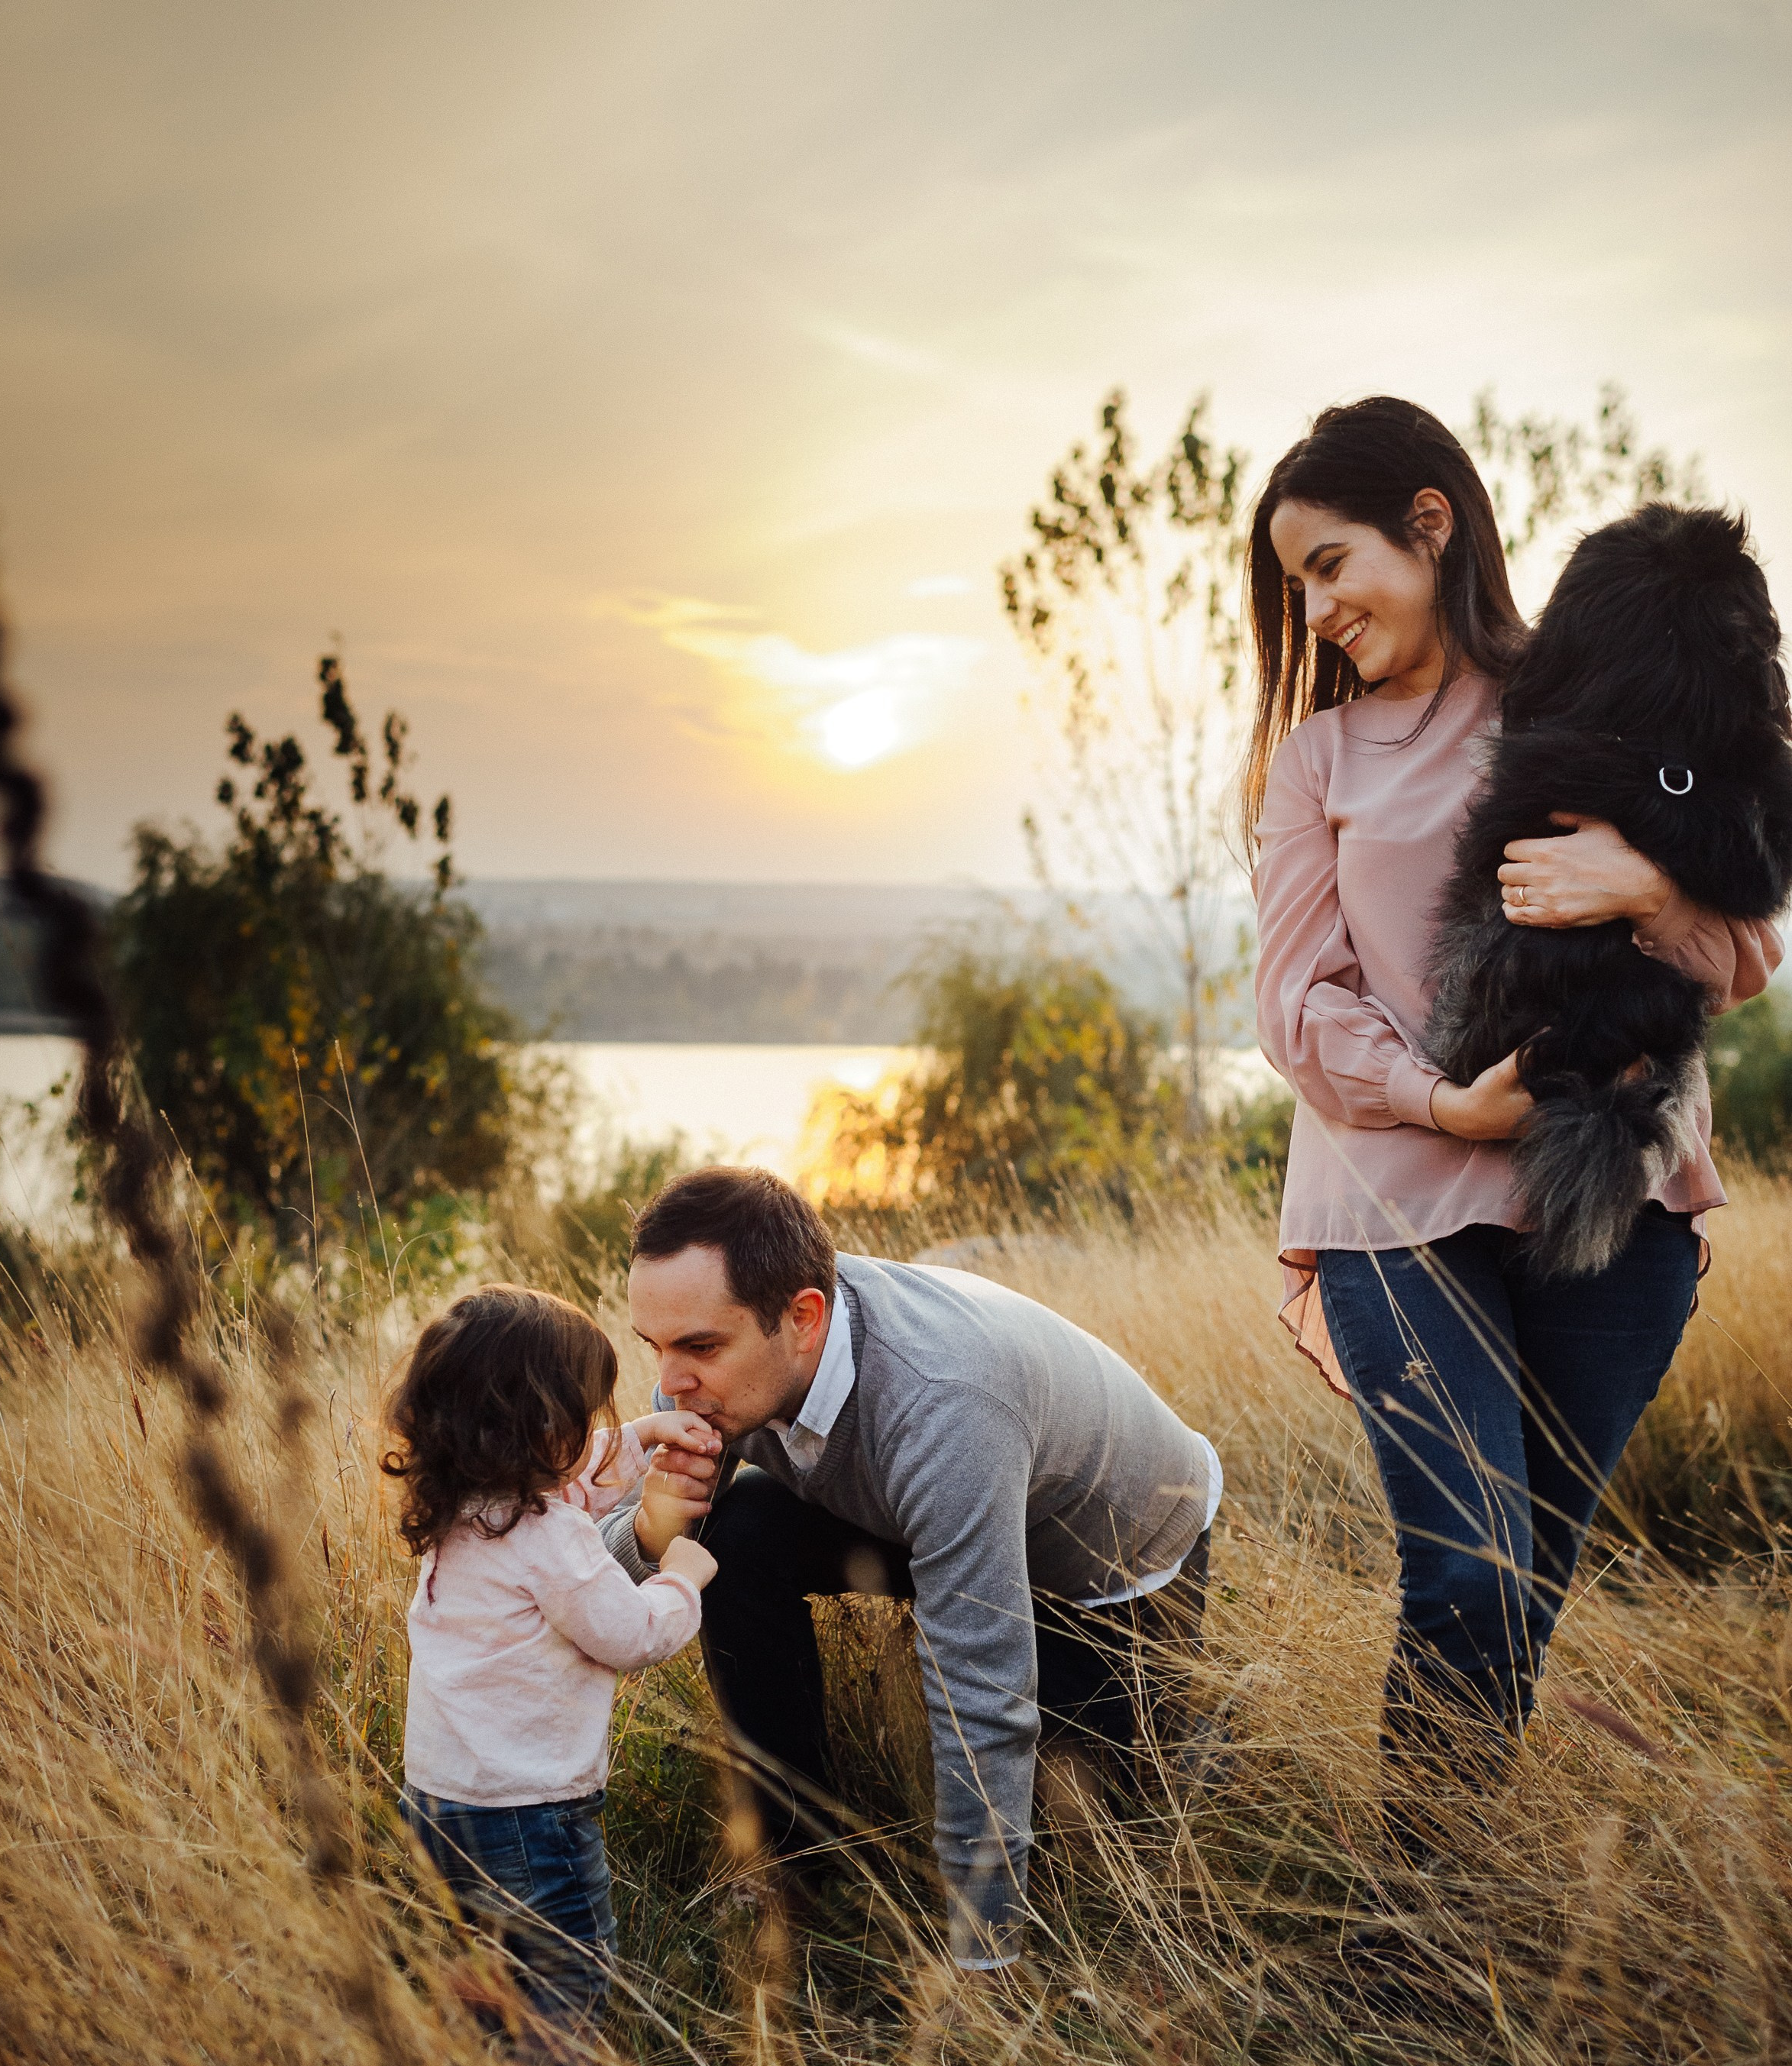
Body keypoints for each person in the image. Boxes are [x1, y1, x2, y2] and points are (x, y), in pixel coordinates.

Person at [1246, 395, 1784, 1845]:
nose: (1317, 607)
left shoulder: (1599, 695)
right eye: (1294, 583)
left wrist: (1646, 892)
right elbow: (1292, 1000)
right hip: (1394, 1202)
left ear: (1430, 521)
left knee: (1519, 1587)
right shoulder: (1321, 763)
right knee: (1470, 1568)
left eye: (1331, 562)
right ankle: (1403, 1943)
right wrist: (1439, 1096)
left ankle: (1439, 1919)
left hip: (1616, 1204)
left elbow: (1743, 953)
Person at [602, 1167, 1223, 1974]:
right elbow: (594, 1578)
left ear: (803, 1319)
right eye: (657, 1346)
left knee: (1093, 1838)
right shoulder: (731, 1374)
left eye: (700, 1347)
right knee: (739, 1530)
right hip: (927, 1514)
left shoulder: (945, 1405)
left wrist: (981, 1961)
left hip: (1108, 1579)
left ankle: (1193, 1740)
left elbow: (983, 1695)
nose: (671, 1382)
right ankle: (795, 1865)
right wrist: (650, 1535)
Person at [382, 1284, 720, 2064]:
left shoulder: (463, 1505)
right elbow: (630, 1636)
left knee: (492, 1972)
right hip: (531, 1816)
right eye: (589, 1413)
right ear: (542, 1424)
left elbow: (574, 1473)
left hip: (440, 1803)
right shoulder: (552, 1536)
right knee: (566, 1979)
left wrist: (642, 1435)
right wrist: (682, 1578)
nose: (597, 1428)